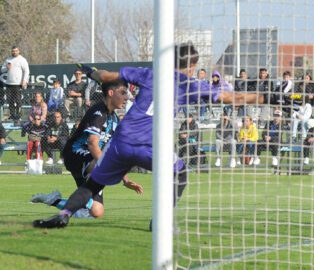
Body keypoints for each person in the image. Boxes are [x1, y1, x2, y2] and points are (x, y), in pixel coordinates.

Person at [32, 42, 264, 229]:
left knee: (93, 184)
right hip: (147, 145)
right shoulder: (189, 84)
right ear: (192, 65)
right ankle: (161, 223)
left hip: (121, 142)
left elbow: (106, 76)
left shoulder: (148, 73)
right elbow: (232, 98)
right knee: (180, 172)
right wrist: (268, 97)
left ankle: (64, 213)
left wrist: (92, 72)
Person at [31, 81, 142, 219]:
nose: (126, 97)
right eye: (123, 93)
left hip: (91, 161)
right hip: (76, 154)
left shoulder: (114, 119)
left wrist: (125, 180)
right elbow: (92, 143)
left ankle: (54, 200)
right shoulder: (98, 112)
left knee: (96, 212)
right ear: (111, 93)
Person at [1, 46, 29, 124]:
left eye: (16, 51)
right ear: (11, 51)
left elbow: (26, 71)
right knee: (10, 101)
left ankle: (18, 116)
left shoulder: (22, 59)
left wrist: (24, 80)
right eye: (13, 51)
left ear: (19, 51)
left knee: (18, 101)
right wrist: (7, 68)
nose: (14, 52)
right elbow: (2, 70)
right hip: (9, 83)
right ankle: (12, 115)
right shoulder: (8, 60)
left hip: (18, 84)